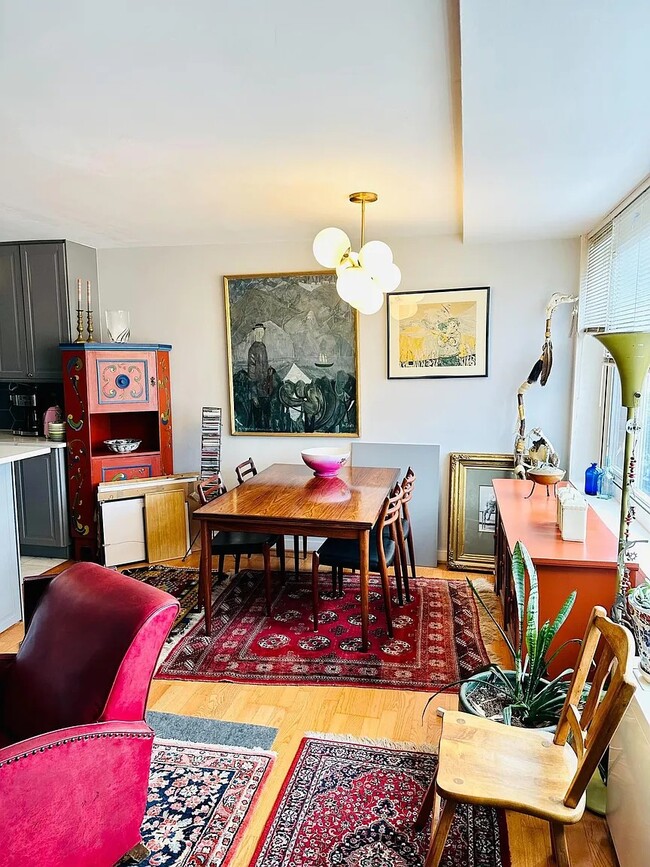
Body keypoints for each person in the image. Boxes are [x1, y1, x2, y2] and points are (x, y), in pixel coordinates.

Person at [248, 323, 271, 428]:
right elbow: (251, 372)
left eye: (262, 332)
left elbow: (265, 366)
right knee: (257, 418)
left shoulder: (263, 346)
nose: (260, 334)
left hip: (265, 388)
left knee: (267, 416)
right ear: (254, 333)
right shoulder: (253, 349)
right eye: (258, 332)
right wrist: (254, 395)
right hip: (257, 388)